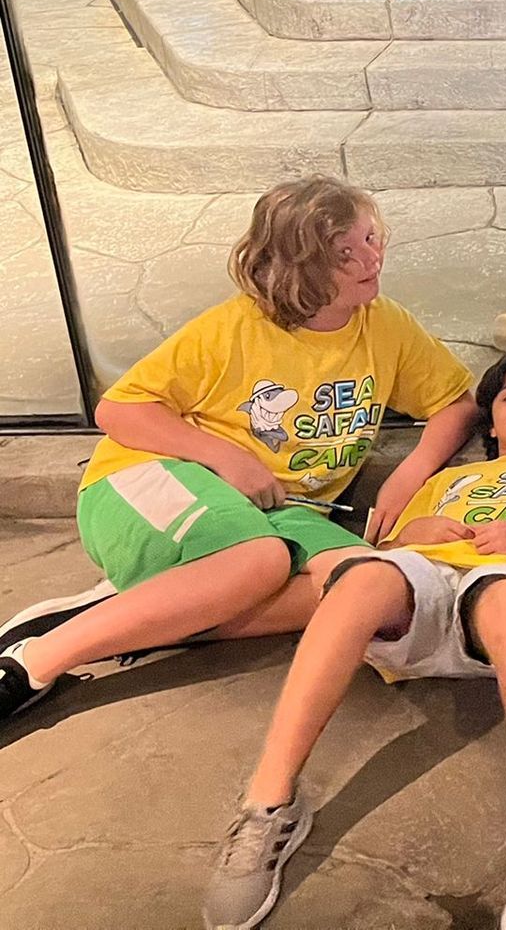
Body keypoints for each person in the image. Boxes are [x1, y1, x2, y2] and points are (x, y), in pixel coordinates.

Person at [0, 176, 477, 725]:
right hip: (148, 478)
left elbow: (455, 403)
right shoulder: (231, 328)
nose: (370, 259)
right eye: (344, 253)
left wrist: (410, 473)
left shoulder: (384, 322)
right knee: (260, 561)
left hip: (282, 508)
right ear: (299, 266)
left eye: (371, 238)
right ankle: (34, 662)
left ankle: (136, 614)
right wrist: (226, 457)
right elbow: (118, 410)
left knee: (373, 586)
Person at [202, 350, 506, 930]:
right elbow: (393, 548)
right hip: (422, 589)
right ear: (489, 424)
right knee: (362, 576)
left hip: (504, 597)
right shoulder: (445, 480)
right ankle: (268, 803)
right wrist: (413, 533)